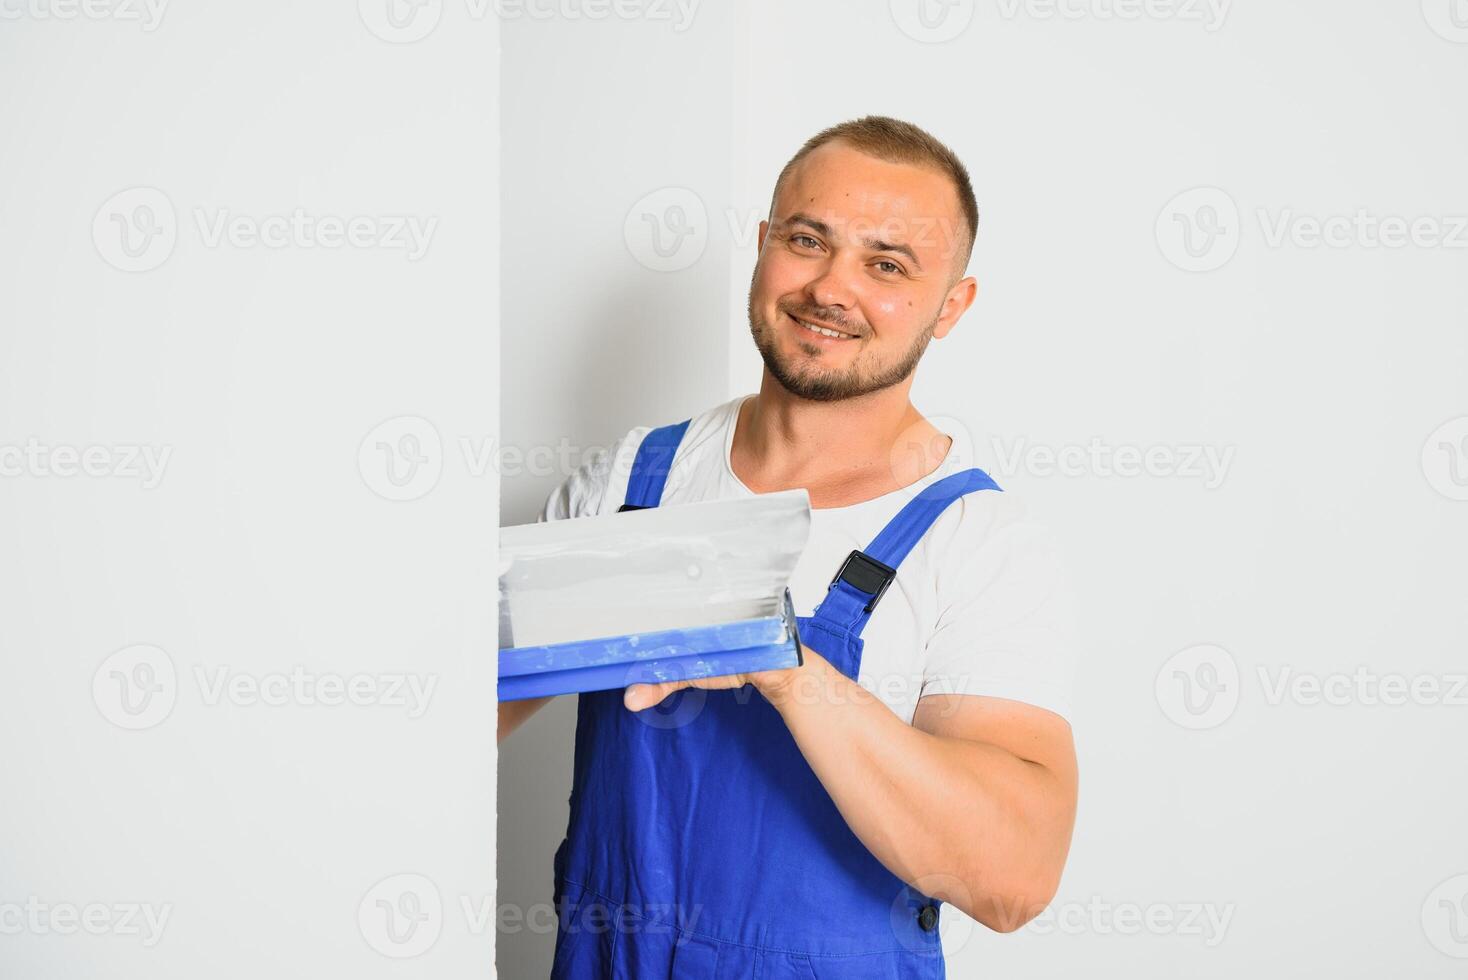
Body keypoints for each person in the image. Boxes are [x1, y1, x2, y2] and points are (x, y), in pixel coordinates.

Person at [500, 116, 1078, 979]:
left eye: (887, 264)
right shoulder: (631, 483)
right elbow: (450, 710)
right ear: (766, 244)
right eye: (809, 241)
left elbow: (1013, 880)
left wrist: (791, 676)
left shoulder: (978, 544)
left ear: (950, 306)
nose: (831, 289)